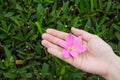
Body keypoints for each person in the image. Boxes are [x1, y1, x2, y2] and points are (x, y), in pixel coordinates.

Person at [41, 27, 120, 80]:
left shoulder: (78, 50)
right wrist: (111, 64)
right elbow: (66, 50)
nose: (71, 49)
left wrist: (111, 63)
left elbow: (77, 51)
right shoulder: (68, 47)